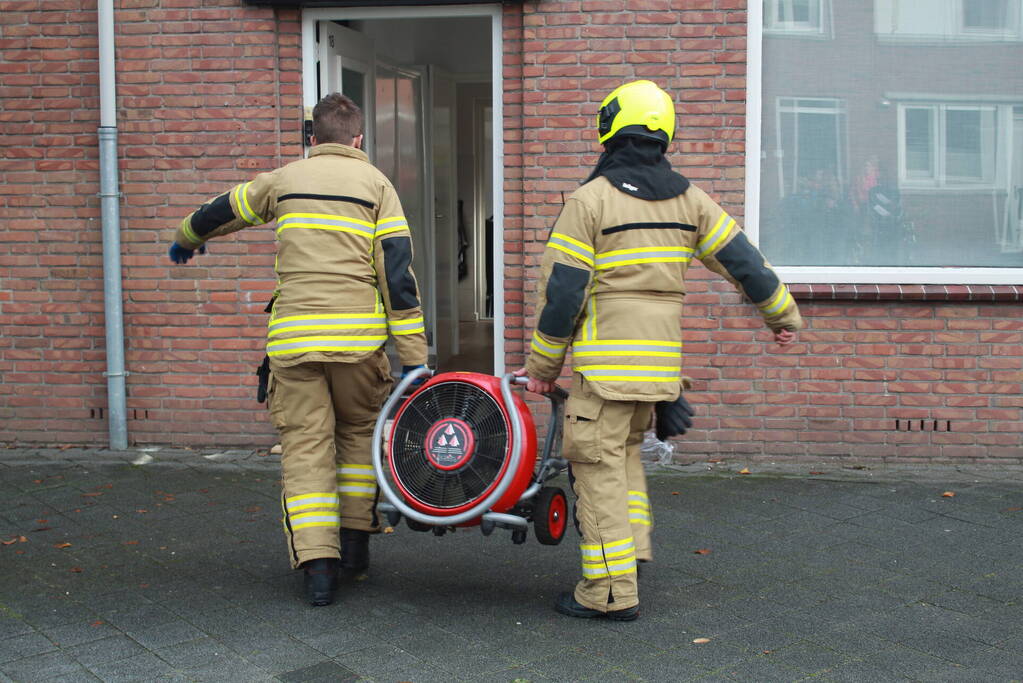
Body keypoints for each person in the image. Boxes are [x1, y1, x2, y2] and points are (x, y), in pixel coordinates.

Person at [515, 80, 803, 621]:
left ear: (609, 130)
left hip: (604, 373)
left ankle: (609, 592)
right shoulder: (691, 201)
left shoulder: (590, 201)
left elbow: (563, 295)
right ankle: (633, 556)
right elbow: (744, 261)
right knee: (624, 460)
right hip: (657, 373)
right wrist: (781, 316)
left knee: (597, 470)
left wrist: (542, 368)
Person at [168, 93, 428, 607]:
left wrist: (187, 238)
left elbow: (222, 209)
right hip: (358, 346)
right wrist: (415, 359)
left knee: (307, 449)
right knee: (357, 438)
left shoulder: (285, 179)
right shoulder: (377, 186)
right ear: (358, 139)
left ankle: (319, 572)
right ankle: (355, 549)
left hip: (295, 343)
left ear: (313, 137)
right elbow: (397, 276)